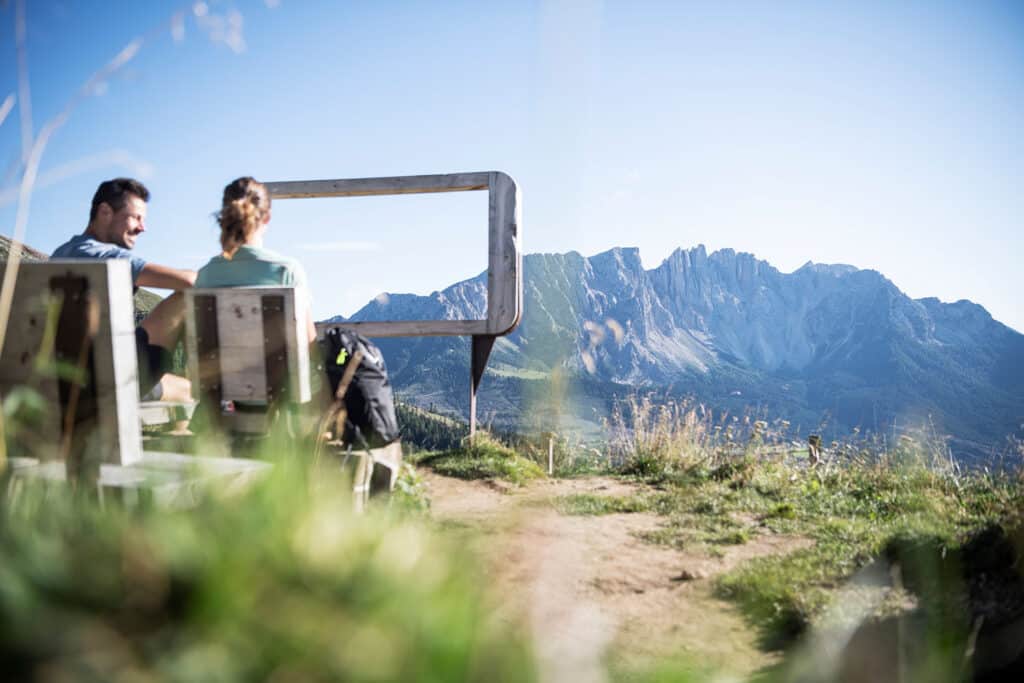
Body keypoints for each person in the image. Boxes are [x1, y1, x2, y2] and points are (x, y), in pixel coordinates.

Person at [51, 178, 196, 401]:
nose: (142, 227)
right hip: (109, 383)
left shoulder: (61, 253)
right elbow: (189, 282)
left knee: (184, 388)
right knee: (185, 299)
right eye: (136, 217)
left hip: (62, 382)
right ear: (105, 211)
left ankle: (183, 428)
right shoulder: (106, 256)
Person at [195, 176, 316, 343]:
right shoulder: (286, 271)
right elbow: (308, 346)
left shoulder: (205, 275)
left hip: (217, 369)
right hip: (277, 370)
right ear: (267, 217)